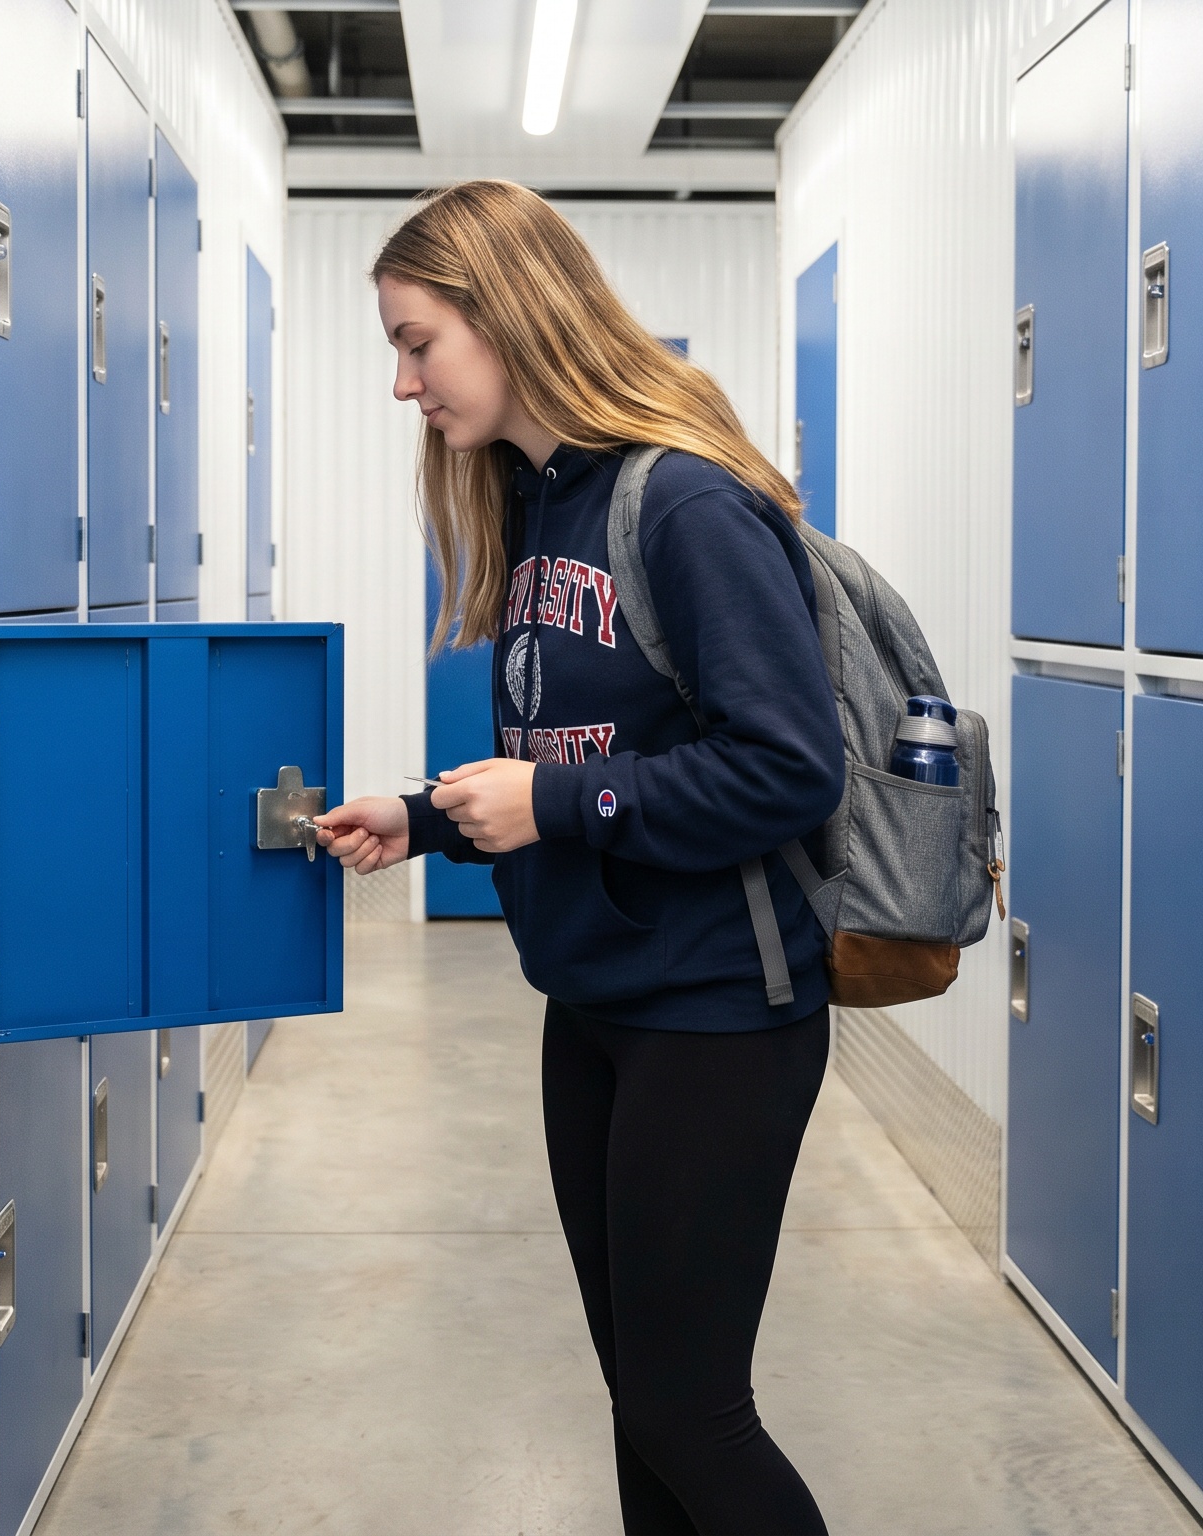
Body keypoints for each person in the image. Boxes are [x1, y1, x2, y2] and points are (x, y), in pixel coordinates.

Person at [312, 180, 843, 1536]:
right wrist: (425, 817)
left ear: (510, 313)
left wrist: (556, 809)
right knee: (641, 1399)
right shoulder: (540, 502)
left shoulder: (687, 506)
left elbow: (785, 770)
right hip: (597, 1001)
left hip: (719, 1010)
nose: (402, 382)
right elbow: (585, 737)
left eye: (417, 341)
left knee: (689, 1410)